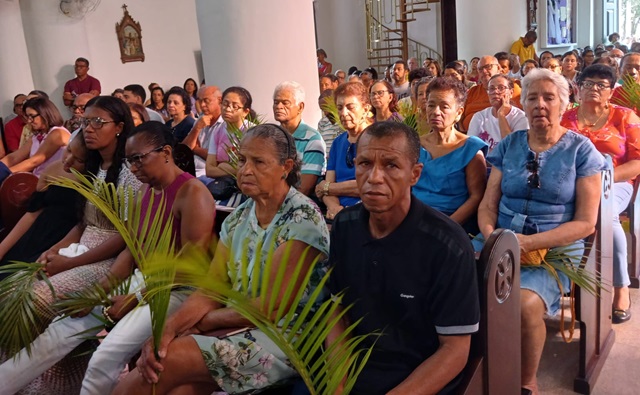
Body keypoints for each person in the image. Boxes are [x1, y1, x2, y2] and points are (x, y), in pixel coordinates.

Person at [0, 121, 216, 395]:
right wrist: (96, 292)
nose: (134, 169)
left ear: (166, 152)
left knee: (106, 357)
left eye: (139, 160)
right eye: (130, 162)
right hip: (144, 282)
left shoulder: (193, 193)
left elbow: (190, 266)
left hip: (176, 290)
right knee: (59, 332)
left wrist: (136, 297)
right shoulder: (146, 192)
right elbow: (132, 250)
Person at [113, 123, 330, 395]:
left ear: (286, 167)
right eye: (241, 160)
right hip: (235, 325)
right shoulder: (239, 218)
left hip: (289, 338)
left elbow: (270, 309)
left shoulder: (301, 219)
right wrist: (170, 328)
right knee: (176, 383)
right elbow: (212, 287)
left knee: (170, 358)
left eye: (259, 162)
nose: (245, 170)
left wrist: (202, 324)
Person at [326, 121, 480, 394]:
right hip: (355, 371)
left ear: (415, 174)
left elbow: (455, 350)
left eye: (391, 165)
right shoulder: (344, 227)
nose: (374, 177)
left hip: (419, 379)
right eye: (364, 164)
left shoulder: (446, 244)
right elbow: (338, 313)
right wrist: (337, 385)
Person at [477, 68, 606, 394]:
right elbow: (488, 204)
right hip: (499, 237)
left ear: (563, 104)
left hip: (555, 244)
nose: (539, 105)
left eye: (549, 98)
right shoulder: (509, 145)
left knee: (524, 303)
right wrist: (492, 235)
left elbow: (586, 222)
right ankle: (471, 363)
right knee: (450, 278)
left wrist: (529, 242)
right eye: (532, 97)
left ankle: (525, 380)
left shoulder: (581, 150)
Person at [560, 64, 640, 324]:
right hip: (571, 184)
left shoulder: (625, 117)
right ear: (578, 89)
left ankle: (621, 288)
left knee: (605, 215)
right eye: (588, 83)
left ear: (610, 91)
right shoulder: (565, 118)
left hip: (614, 183)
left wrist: (602, 178)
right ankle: (560, 282)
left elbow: (637, 161)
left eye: (601, 85)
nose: (594, 88)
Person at [0, 133, 87, 277]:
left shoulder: (95, 181)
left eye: (79, 160)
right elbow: (32, 213)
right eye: (69, 150)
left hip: (65, 243)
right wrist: (2, 248)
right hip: (35, 235)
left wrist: (54, 252)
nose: (68, 160)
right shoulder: (54, 169)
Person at [413, 77, 487, 233]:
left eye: (444, 107)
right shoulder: (415, 145)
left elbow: (476, 197)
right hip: (413, 217)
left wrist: (445, 225)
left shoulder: (471, 149)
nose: (435, 112)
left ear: (459, 113)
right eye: (431, 105)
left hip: (452, 223)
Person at [316, 82, 373, 219]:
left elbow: (368, 186)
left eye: (350, 107)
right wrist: (335, 208)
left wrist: (327, 187)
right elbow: (327, 190)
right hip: (339, 213)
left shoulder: (377, 139)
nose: (343, 113)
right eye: (340, 108)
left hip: (368, 211)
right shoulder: (338, 142)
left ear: (366, 109)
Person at [273, 81, 327, 196]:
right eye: (276, 102)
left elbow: (304, 188)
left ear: (300, 107)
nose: (279, 106)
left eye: (285, 103)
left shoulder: (312, 139)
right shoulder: (270, 137)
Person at [0, 97, 70, 177]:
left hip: (56, 182)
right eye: (27, 117)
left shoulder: (58, 133)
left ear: (45, 113)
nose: (29, 121)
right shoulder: (36, 136)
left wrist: (5, 173)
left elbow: (35, 161)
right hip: (39, 180)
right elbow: (13, 157)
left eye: (31, 116)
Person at [468, 74, 529, 152]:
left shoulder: (521, 118)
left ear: (511, 92)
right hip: (481, 163)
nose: (495, 91)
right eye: (491, 88)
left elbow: (513, 151)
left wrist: (501, 115)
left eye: (501, 88)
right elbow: (470, 148)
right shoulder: (479, 117)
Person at [461, 55, 522, 132]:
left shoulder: (512, 89)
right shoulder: (472, 91)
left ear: (499, 68)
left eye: (488, 67)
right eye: (480, 69)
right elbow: (460, 115)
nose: (484, 71)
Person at [182, 85, 223, 178]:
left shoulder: (225, 124)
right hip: (191, 168)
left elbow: (218, 159)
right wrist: (196, 128)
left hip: (208, 174)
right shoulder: (200, 120)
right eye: (200, 101)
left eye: (206, 101)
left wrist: (196, 149)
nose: (202, 105)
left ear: (219, 100)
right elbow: (184, 150)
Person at [317, 89, 343, 157]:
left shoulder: (345, 121)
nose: (326, 113)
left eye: (327, 108)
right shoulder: (323, 122)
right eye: (323, 110)